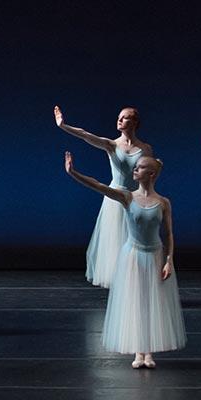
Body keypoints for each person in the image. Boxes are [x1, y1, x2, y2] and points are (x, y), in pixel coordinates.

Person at [66, 151, 185, 368]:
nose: (134, 170)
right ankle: (139, 353)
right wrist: (74, 172)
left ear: (151, 174)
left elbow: (168, 234)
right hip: (133, 256)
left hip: (155, 255)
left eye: (139, 168)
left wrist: (169, 260)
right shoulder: (127, 197)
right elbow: (99, 186)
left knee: (152, 304)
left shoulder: (163, 202)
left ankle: (148, 352)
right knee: (137, 302)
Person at [53, 105, 152, 287]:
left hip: (135, 199)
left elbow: (148, 177)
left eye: (125, 117)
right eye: (119, 117)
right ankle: (121, 285)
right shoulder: (112, 145)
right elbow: (85, 135)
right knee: (117, 243)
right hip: (115, 198)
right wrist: (63, 126)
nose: (120, 120)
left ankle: (135, 283)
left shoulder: (145, 149)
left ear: (135, 122)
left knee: (137, 243)